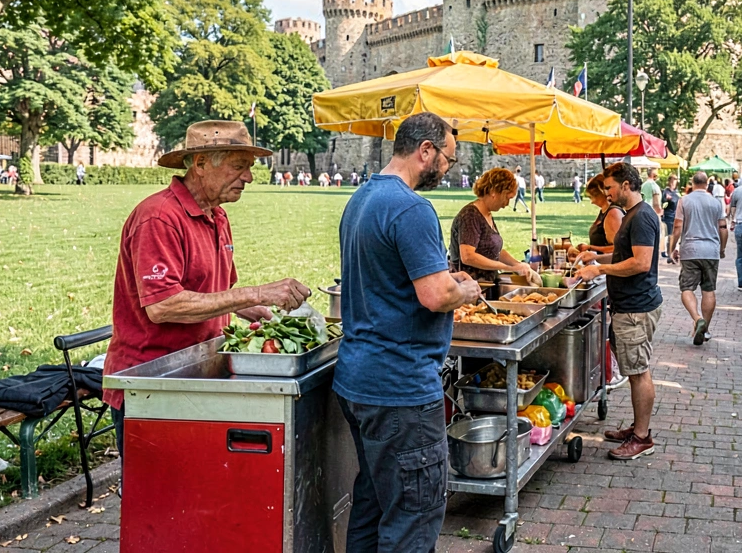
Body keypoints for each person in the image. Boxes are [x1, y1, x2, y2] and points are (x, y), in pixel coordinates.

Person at [102, 121, 310, 464]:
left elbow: (217, 288)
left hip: (198, 372)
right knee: (160, 500)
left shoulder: (218, 216)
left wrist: (254, 311)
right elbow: (163, 305)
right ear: (199, 164)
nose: (248, 178)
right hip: (152, 383)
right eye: (238, 166)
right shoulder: (159, 217)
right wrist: (255, 295)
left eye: (249, 168)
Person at [334, 112, 482, 551]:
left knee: (373, 503)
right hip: (399, 386)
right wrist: (465, 289)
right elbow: (435, 296)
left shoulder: (362, 197)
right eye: (449, 160)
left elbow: (390, 276)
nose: (448, 169)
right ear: (426, 151)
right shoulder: (412, 207)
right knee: (414, 517)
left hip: (357, 378)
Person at [576, 162, 664, 460]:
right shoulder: (633, 216)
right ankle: (638, 429)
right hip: (631, 305)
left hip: (636, 307)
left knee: (639, 373)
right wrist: (597, 254)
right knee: (636, 369)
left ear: (626, 185)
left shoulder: (640, 218)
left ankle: (642, 437)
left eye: (611, 187)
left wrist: (600, 267)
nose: (607, 193)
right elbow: (628, 254)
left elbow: (640, 263)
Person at [449, 167, 542, 285]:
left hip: (486, 285)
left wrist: (516, 264)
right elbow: (468, 256)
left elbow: (494, 251)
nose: (507, 204)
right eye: (507, 197)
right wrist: (508, 268)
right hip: (469, 287)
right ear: (494, 192)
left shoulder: (486, 214)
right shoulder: (470, 215)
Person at [671, 172, 723, 345]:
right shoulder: (716, 202)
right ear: (707, 183)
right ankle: (705, 328)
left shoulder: (684, 201)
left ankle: (697, 318)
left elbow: (678, 226)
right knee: (708, 289)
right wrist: (721, 249)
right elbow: (722, 227)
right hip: (711, 250)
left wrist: (672, 247)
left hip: (690, 250)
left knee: (687, 288)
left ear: (692, 183)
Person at [581, 175, 625, 256]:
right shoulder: (604, 212)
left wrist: (590, 248)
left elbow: (618, 248)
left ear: (601, 193)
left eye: (592, 197)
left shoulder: (613, 214)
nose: (592, 202)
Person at [660, 173, 680, 261]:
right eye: (672, 181)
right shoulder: (666, 191)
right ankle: (669, 254)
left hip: (677, 215)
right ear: (669, 181)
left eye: (675, 181)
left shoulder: (676, 192)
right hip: (669, 215)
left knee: (676, 235)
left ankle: (673, 253)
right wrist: (666, 199)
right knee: (670, 235)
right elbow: (663, 201)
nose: (673, 183)